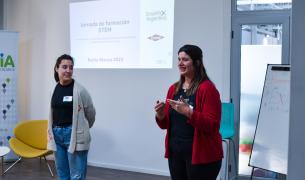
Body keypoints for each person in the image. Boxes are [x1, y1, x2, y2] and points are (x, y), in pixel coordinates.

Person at [154, 44, 223, 180]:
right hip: (176, 153)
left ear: (197, 62)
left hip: (202, 156)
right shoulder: (173, 88)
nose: (180, 63)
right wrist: (160, 115)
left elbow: (212, 125)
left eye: (185, 59)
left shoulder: (207, 89)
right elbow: (166, 125)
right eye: (179, 59)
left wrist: (189, 113)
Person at [47, 54, 96, 180]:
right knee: (62, 173)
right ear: (57, 68)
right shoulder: (54, 89)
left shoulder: (80, 91)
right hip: (57, 135)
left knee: (77, 176)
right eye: (64, 67)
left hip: (74, 134)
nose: (68, 70)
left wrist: (82, 127)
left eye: (71, 67)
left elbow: (90, 114)